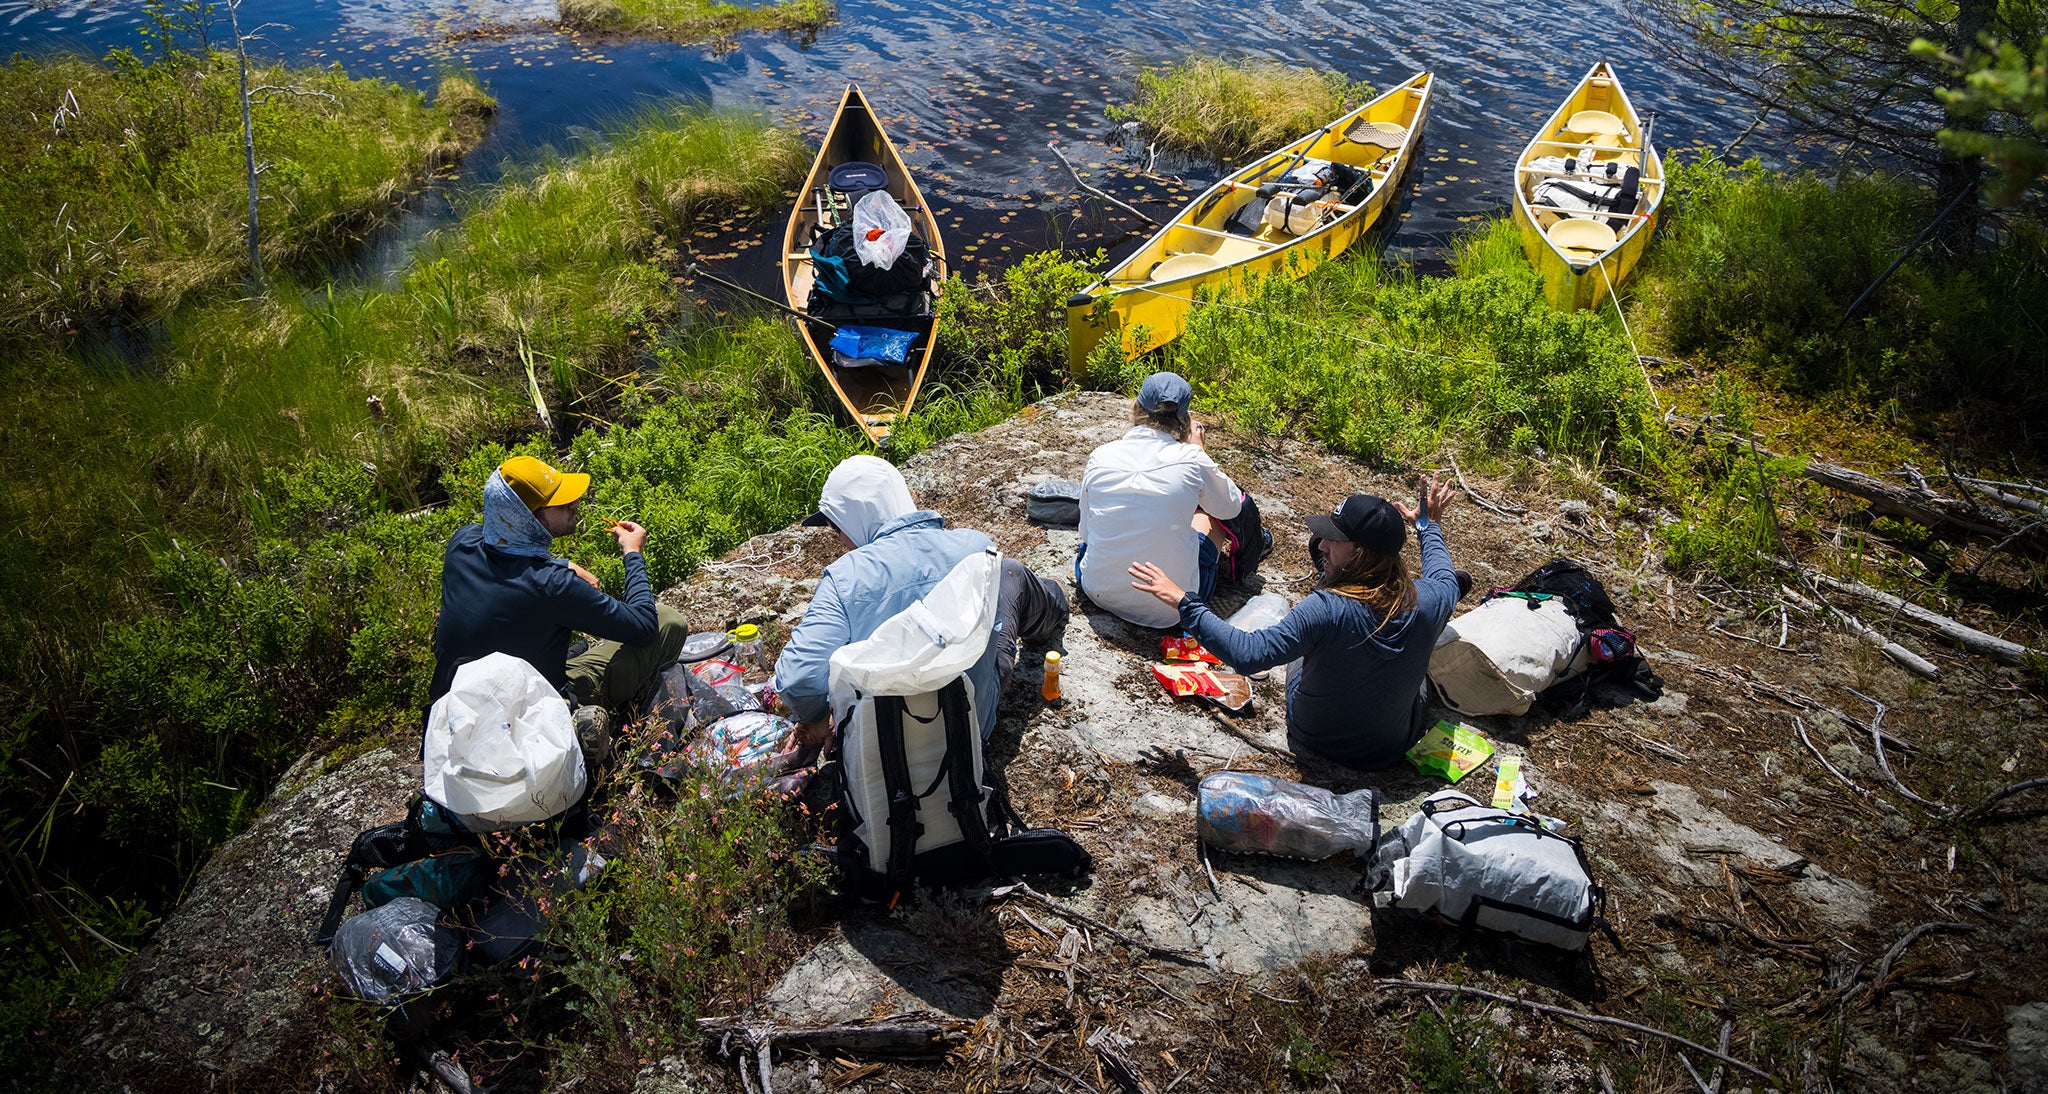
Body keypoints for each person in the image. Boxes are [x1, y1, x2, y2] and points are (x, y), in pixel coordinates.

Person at [1128, 476, 1465, 770]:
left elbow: (1250, 654)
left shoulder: (1325, 608)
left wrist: (1184, 602)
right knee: (1420, 669)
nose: (1321, 544)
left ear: (1360, 553)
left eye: (1334, 540)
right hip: (1390, 749)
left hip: (1315, 735)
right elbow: (1444, 575)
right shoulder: (1434, 597)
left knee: (1304, 647)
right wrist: (1428, 525)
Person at [775, 455, 1068, 750]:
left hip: (884, 759)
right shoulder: (976, 547)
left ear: (855, 520)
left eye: (837, 528)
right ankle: (1057, 600)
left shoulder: (844, 579)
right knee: (1009, 572)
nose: (840, 540)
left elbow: (800, 678)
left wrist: (815, 716)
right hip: (971, 730)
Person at [428, 455, 687, 729]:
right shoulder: (553, 585)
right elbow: (644, 626)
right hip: (525, 727)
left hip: (451, 719)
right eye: (562, 504)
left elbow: (505, 557)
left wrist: (562, 563)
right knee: (668, 621)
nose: (575, 504)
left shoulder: (462, 543)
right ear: (528, 519)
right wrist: (632, 552)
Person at [1076, 372, 1243, 629]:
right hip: (1169, 610)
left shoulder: (1101, 455)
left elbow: (1086, 534)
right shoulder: (1192, 459)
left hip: (1098, 591)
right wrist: (1199, 451)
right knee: (1209, 517)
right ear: (1185, 420)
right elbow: (1230, 507)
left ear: (1137, 407)